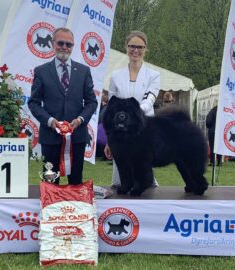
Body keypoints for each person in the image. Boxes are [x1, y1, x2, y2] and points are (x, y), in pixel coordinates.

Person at [28, 27, 97, 185]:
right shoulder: (41, 71)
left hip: (77, 138)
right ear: (53, 44)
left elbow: (92, 102)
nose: (64, 47)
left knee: (76, 185)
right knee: (50, 185)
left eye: (69, 44)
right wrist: (50, 120)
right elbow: (34, 102)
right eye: (61, 43)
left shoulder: (84, 71)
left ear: (73, 46)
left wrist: (80, 119)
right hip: (50, 138)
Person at [104, 30, 160, 188]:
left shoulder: (154, 75)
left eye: (140, 47)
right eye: (132, 46)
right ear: (126, 48)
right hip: (120, 134)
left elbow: (149, 100)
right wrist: (109, 140)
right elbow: (111, 110)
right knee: (122, 178)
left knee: (143, 173)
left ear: (146, 49)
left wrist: (133, 114)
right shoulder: (115, 76)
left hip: (144, 130)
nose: (136, 50)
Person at [206, 102, 222, 166]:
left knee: (212, 146)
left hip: (212, 131)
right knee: (219, 147)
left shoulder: (212, 111)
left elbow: (208, 121)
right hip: (220, 131)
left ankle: (212, 162)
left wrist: (209, 127)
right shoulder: (222, 111)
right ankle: (219, 162)